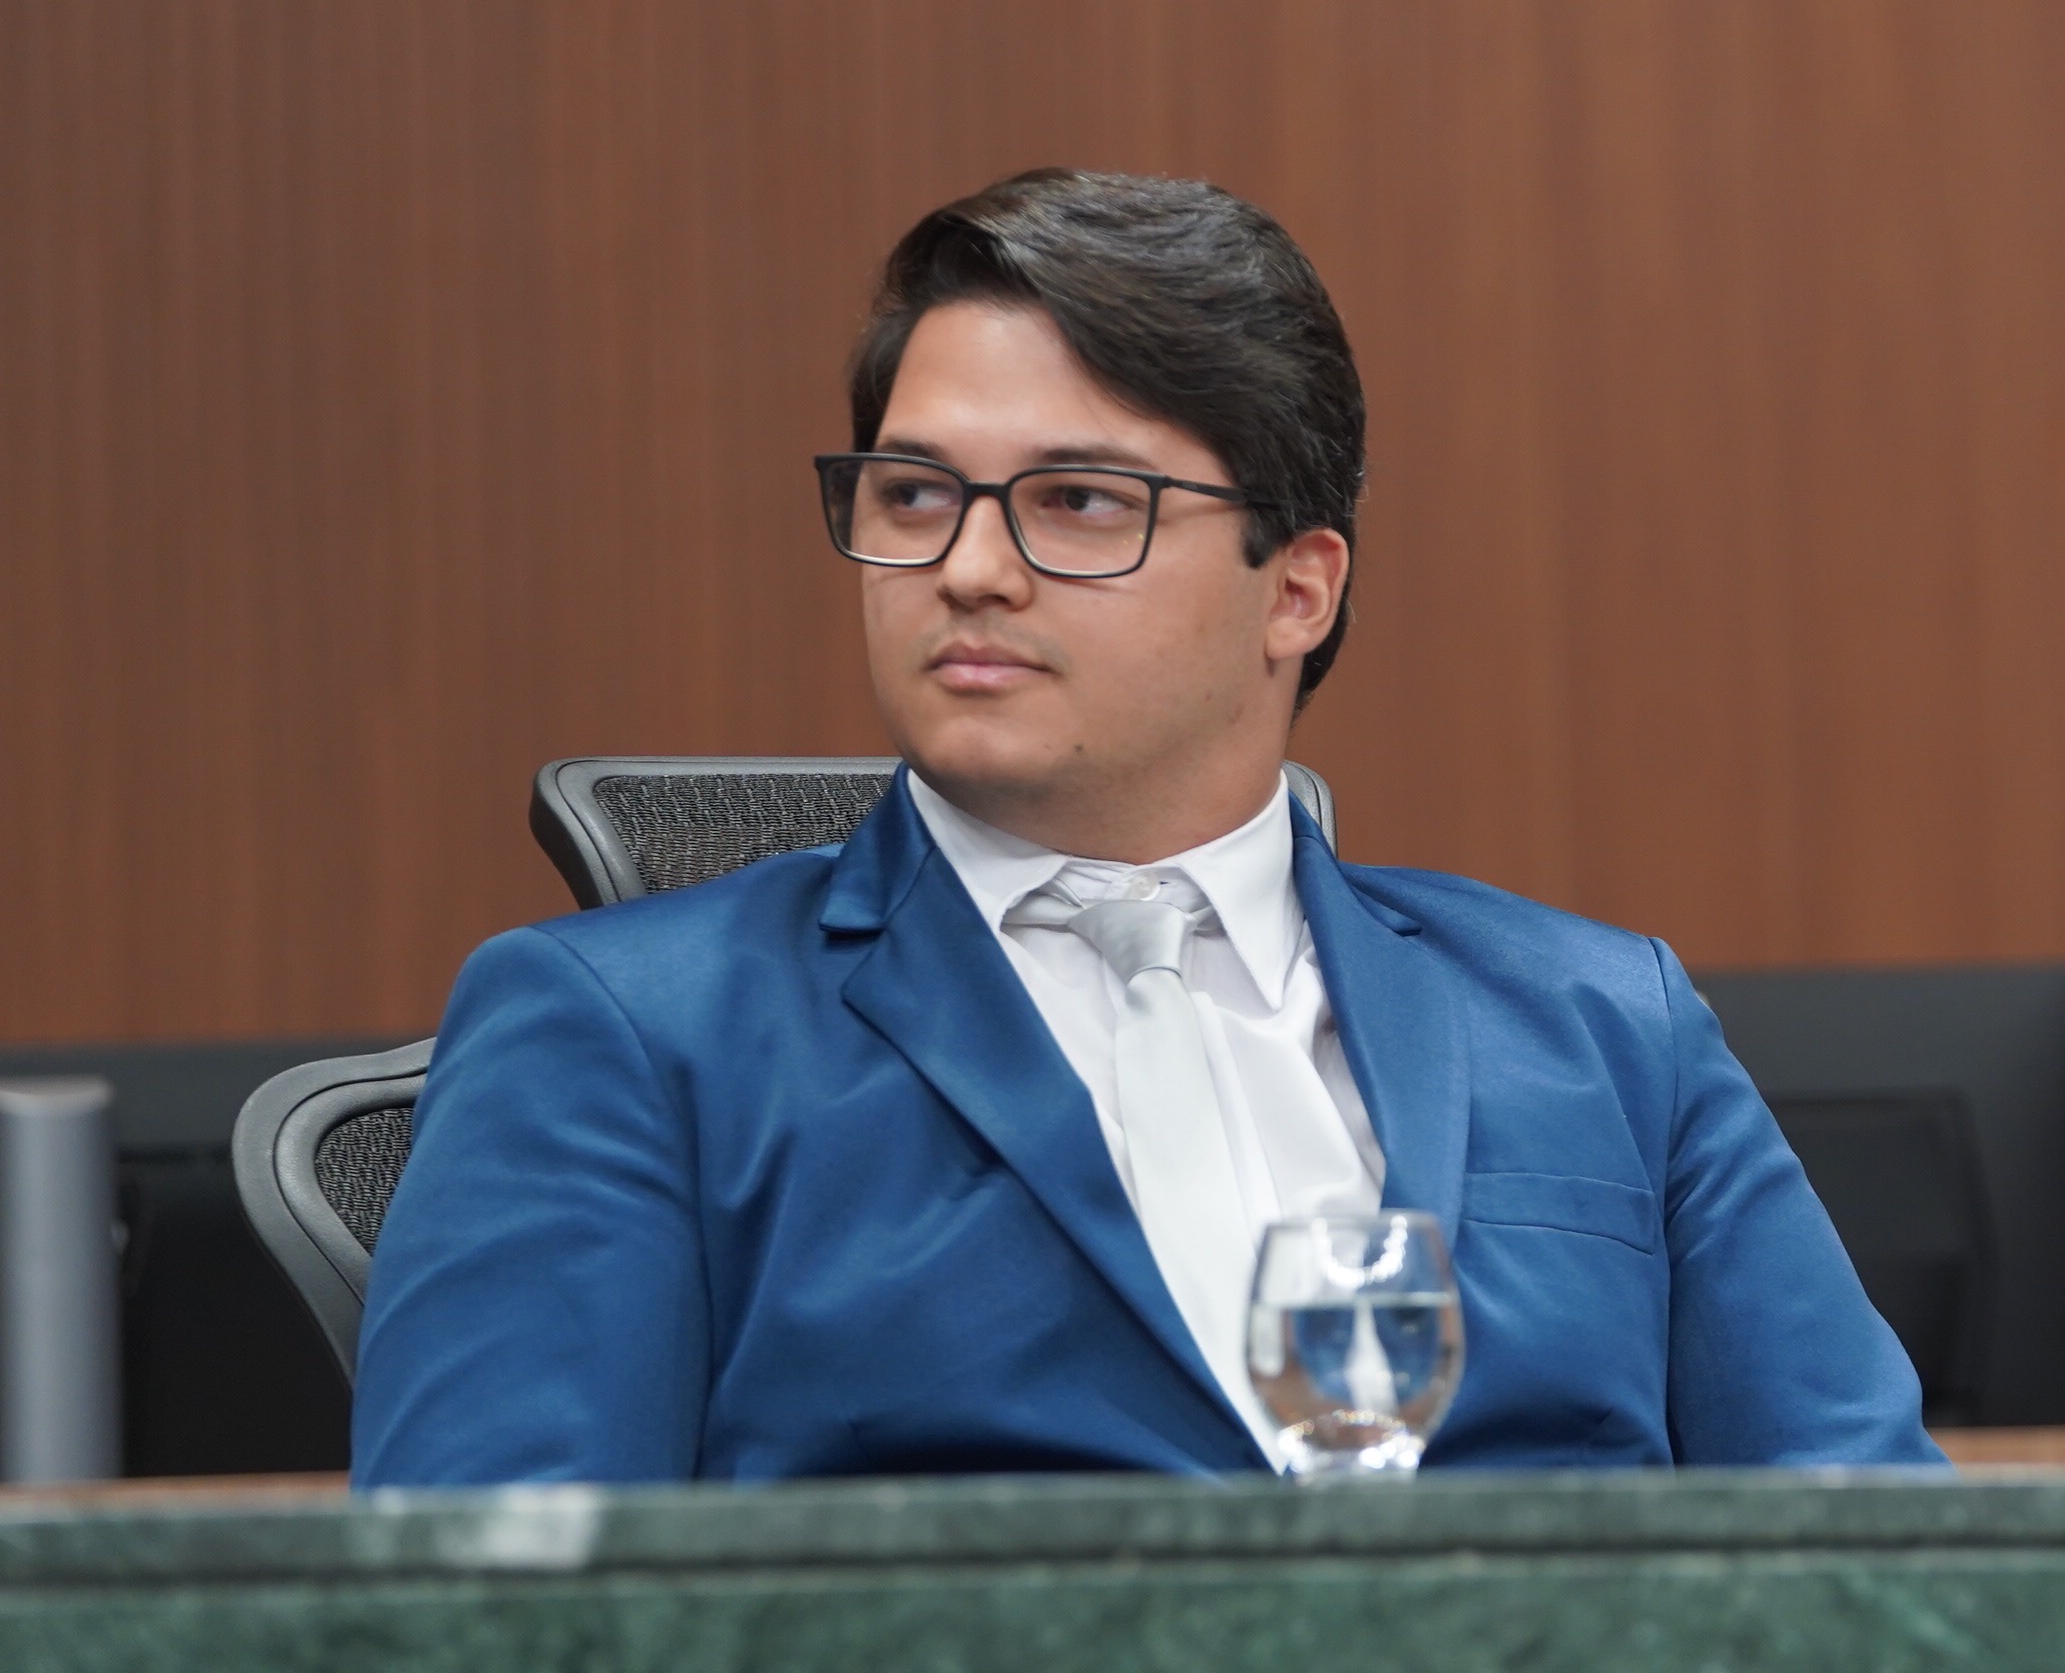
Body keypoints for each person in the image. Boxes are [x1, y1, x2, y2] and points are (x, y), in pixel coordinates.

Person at [354, 170, 1936, 1483]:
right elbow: (485, 1620)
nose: (970, 570)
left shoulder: (1603, 1026)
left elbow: (1887, 1563)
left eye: (1081, 503)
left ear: (1297, 591)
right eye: (914, 496)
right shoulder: (630, 1037)